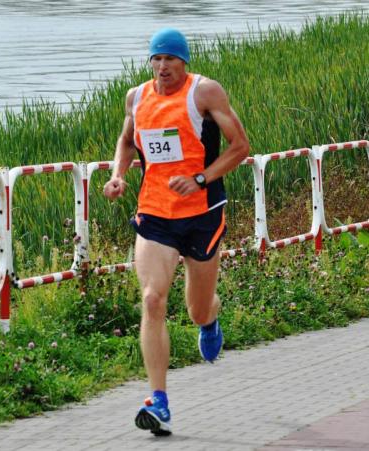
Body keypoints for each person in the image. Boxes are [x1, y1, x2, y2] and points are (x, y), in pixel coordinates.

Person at [103, 27, 250, 436]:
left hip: (202, 213)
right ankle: (159, 401)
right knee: (152, 299)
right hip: (155, 211)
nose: (163, 66)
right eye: (157, 58)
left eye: (170, 59)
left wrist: (201, 179)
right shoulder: (136, 97)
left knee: (196, 309)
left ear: (184, 62)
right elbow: (127, 140)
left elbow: (240, 146)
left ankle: (209, 320)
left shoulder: (205, 93)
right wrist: (118, 175)